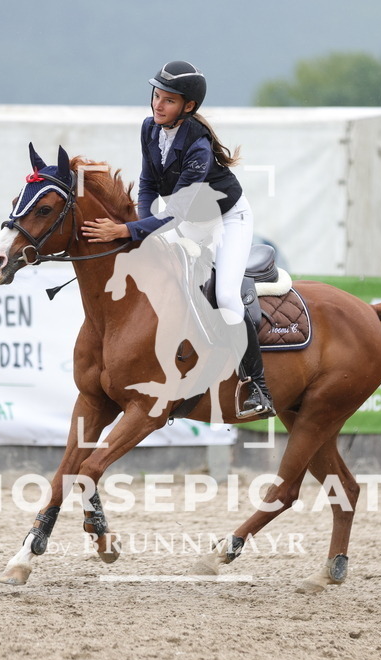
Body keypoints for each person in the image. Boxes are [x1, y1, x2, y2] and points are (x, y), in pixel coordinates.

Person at [81, 60, 274, 418]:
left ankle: (257, 386)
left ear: (188, 107)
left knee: (226, 294)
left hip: (226, 219)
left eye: (168, 100)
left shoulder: (198, 145)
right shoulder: (149, 129)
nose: (158, 104)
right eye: (157, 95)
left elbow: (178, 211)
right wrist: (138, 226)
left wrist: (125, 231)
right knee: (168, 278)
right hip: (189, 219)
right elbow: (149, 186)